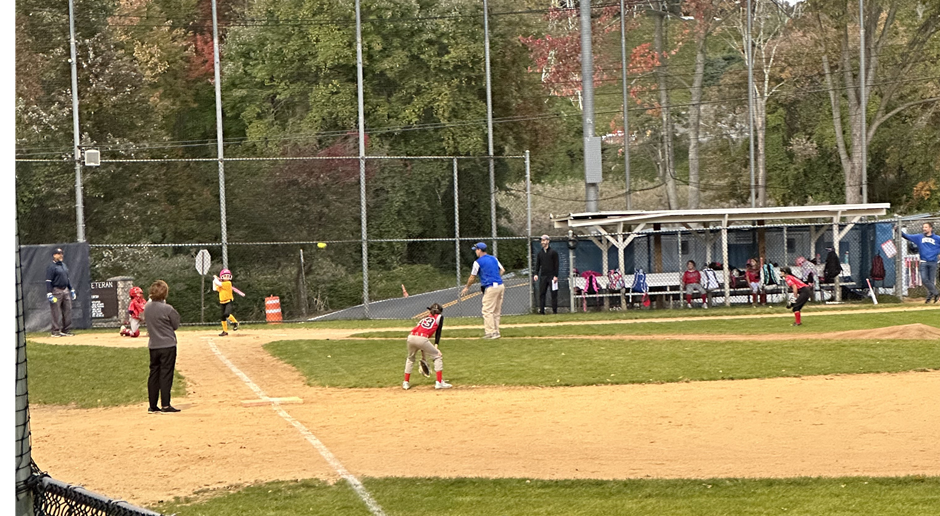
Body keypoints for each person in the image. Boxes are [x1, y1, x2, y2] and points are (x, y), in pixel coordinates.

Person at [143, 280, 181, 413]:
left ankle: (152, 405)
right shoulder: (168, 309)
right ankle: (165, 404)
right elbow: (175, 325)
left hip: (153, 345)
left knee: (154, 374)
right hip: (168, 345)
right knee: (166, 374)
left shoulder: (147, 307)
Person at [460, 242, 505, 339]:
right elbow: (502, 270)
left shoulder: (478, 262)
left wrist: (467, 287)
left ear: (479, 250)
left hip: (490, 286)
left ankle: (490, 333)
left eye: (476, 250)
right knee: (496, 311)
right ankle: (496, 332)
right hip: (500, 285)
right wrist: (496, 278)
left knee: (487, 310)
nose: (475, 252)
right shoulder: (493, 258)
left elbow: (472, 277)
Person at [402, 303, 451, 390]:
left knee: (410, 358)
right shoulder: (439, 317)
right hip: (421, 338)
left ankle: (405, 382)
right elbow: (437, 333)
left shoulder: (424, 318)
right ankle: (439, 383)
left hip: (411, 337)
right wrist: (436, 347)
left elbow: (420, 342)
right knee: (437, 356)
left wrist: (424, 357)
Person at [901, 222, 939, 303]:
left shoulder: (937, 238)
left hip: (933, 262)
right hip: (923, 262)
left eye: (926, 227)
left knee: (931, 281)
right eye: (923, 227)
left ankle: (929, 298)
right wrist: (898, 230)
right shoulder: (919, 237)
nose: (924, 229)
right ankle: (936, 293)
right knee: (924, 279)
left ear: (930, 228)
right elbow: (906, 236)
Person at [45, 248, 76, 337]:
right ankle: (55, 331)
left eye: (61, 253)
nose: (61, 255)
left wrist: (71, 289)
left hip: (65, 290)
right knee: (56, 311)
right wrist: (49, 293)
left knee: (67, 310)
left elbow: (67, 278)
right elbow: (48, 281)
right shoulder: (51, 267)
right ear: (54, 255)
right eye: (58, 254)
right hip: (56, 290)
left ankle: (66, 330)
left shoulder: (64, 266)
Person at [213, 268, 245, 336]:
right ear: (222, 277)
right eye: (225, 276)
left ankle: (235, 322)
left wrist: (215, 278)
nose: (226, 277)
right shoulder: (221, 284)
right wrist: (214, 281)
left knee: (226, 314)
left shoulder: (228, 283)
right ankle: (225, 331)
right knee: (222, 317)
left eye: (228, 276)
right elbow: (215, 288)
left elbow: (218, 283)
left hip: (228, 301)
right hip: (222, 302)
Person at [533, 234, 559, 315]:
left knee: (553, 293)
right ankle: (542, 311)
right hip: (543, 276)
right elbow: (538, 264)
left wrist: (555, 276)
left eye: (544, 240)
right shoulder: (540, 253)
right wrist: (536, 274)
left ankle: (554, 311)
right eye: (542, 240)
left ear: (548, 241)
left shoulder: (553, 252)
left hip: (551, 276)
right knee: (542, 293)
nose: (543, 242)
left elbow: (556, 264)